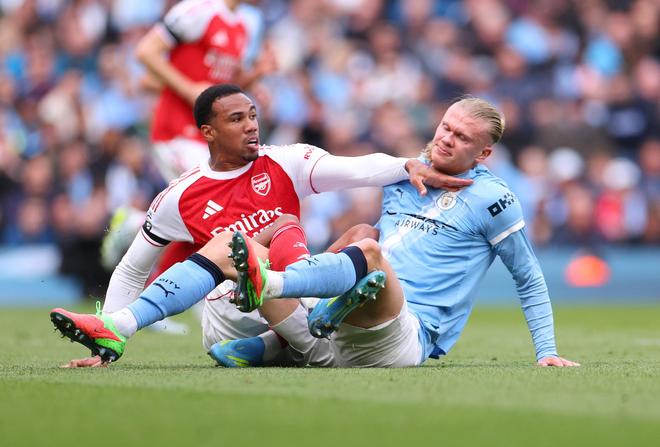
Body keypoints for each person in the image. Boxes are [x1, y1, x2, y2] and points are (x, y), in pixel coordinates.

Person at [50, 84, 472, 366]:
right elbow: (132, 269)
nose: (251, 125)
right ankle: (119, 330)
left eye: (253, 115)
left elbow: (357, 168)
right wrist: (110, 347)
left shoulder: (286, 161)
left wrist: (408, 165)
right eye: (236, 119)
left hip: (285, 300)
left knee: (364, 235)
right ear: (208, 132)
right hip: (230, 309)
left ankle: (273, 345)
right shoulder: (179, 196)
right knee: (246, 239)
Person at [223, 96, 579, 367]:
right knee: (361, 233)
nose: (447, 139)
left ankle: (273, 292)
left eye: (462, 137)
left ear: (483, 153)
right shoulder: (405, 173)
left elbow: (528, 275)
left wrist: (546, 350)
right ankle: (293, 329)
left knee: (369, 251)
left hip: (408, 332)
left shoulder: (494, 199)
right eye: (445, 127)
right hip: (368, 311)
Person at [100, 0, 275, 333]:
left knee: (200, 219)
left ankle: (136, 227)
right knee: (211, 214)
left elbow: (220, 88)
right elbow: (146, 51)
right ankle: (168, 299)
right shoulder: (198, 10)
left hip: (208, 137)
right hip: (177, 132)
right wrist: (188, 90)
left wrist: (257, 75)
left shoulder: (242, 25)